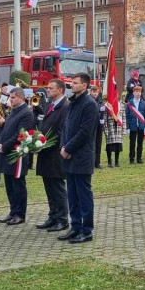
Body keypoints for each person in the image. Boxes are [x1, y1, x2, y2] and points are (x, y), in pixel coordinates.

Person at [60, 73, 98, 243]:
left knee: (83, 194)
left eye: (75, 83)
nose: (72, 85)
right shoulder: (72, 102)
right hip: (69, 155)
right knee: (72, 194)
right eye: (72, 83)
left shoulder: (89, 104)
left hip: (81, 155)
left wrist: (69, 148)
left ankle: (87, 229)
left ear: (85, 85)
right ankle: (75, 226)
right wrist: (63, 146)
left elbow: (85, 132)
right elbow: (66, 127)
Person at [35, 79, 70, 231]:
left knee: (57, 187)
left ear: (60, 90)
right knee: (49, 187)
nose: (47, 90)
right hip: (46, 152)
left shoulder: (65, 107)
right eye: (48, 87)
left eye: (51, 88)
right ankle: (53, 216)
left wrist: (47, 142)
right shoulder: (51, 105)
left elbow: (62, 131)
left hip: (55, 153)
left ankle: (62, 219)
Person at [0, 88, 35, 225]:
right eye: (10, 97)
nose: (10, 100)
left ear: (20, 97)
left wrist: (5, 145)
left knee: (18, 185)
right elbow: (6, 129)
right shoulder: (13, 111)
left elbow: (20, 134)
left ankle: (20, 213)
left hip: (17, 153)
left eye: (13, 98)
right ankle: (13, 211)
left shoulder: (26, 113)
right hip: (7, 153)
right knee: (9, 185)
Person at [125, 86, 145, 164]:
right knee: (132, 143)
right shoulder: (129, 104)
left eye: (139, 92)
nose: (138, 93)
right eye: (137, 92)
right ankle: (131, 158)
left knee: (140, 143)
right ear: (133, 93)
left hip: (141, 126)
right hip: (132, 126)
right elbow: (127, 116)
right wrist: (127, 127)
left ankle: (139, 158)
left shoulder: (144, 103)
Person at [102, 95, 124, 168]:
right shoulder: (107, 106)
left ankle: (116, 162)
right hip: (110, 127)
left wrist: (124, 128)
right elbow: (104, 119)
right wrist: (106, 130)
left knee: (118, 145)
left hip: (118, 128)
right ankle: (109, 162)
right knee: (109, 146)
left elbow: (123, 117)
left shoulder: (121, 106)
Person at [90, 84, 105, 169]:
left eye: (97, 92)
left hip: (99, 125)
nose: (95, 94)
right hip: (92, 125)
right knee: (92, 144)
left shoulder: (100, 101)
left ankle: (97, 162)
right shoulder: (89, 101)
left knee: (98, 144)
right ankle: (91, 162)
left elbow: (102, 113)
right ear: (91, 92)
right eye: (94, 92)